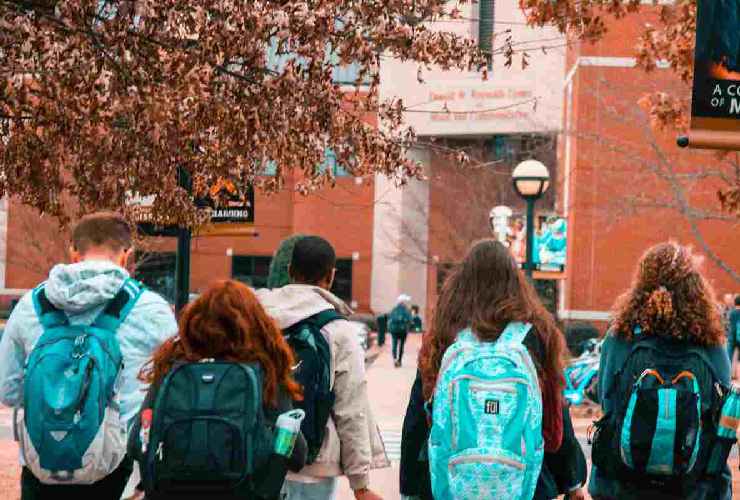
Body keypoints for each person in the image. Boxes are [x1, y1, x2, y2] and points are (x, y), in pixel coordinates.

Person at [0, 212, 178, 500]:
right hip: (118, 471)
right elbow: (170, 392)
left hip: (41, 466)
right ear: (126, 255)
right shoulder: (152, 309)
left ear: (73, 252)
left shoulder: (30, 306)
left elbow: (7, 391)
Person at [409, 240, 585, 500]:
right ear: (514, 280)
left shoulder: (445, 333)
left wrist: (410, 487)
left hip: (451, 484)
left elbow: (418, 416)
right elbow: (553, 415)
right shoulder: (536, 332)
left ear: (462, 282)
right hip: (526, 483)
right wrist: (572, 481)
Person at [128, 280, 307, 499]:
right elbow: (297, 455)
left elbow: (136, 443)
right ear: (256, 325)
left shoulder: (173, 368)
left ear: (194, 323)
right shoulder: (265, 373)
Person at [589, 242, 732, 500]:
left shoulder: (620, 337)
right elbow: (722, 412)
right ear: (695, 287)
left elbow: (607, 401)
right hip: (694, 487)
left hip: (622, 484)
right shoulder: (711, 344)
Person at [256, 236, 388, 500]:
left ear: (290, 270)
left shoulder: (257, 317)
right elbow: (351, 409)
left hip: (259, 454)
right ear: (331, 276)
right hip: (314, 464)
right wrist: (359, 484)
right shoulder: (338, 330)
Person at [388, 295, 413, 367]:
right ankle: (399, 360)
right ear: (403, 302)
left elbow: (390, 318)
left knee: (394, 344)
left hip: (394, 330)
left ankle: (395, 358)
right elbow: (410, 320)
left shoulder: (394, 309)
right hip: (403, 330)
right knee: (401, 345)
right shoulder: (406, 310)